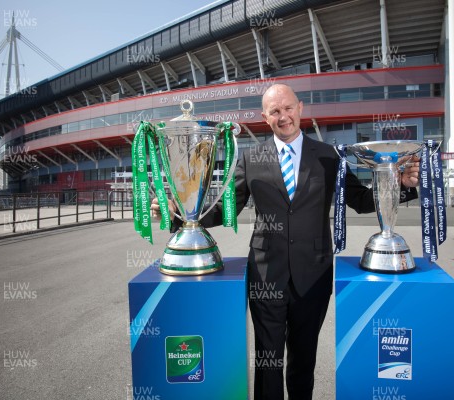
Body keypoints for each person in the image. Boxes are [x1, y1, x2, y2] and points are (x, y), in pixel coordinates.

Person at [152, 83, 420, 400]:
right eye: (275, 111)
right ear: (265, 117)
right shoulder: (251, 158)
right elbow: (228, 209)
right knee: (268, 360)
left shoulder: (330, 157)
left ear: (300, 108)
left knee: (303, 360)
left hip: (314, 276)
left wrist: (401, 186)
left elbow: (361, 199)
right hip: (266, 276)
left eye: (288, 108)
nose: (284, 116)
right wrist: (180, 216)